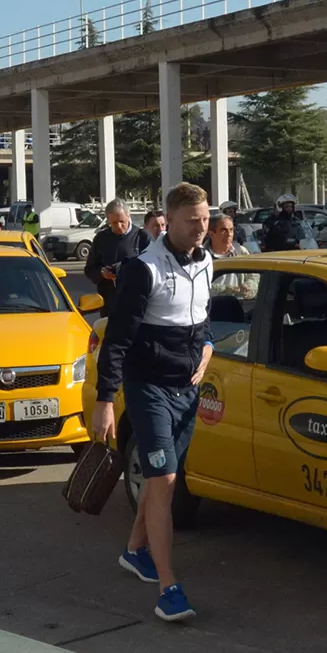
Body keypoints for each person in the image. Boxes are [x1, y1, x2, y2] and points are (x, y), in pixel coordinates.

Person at [91, 182, 214, 623]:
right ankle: (169, 587)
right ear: (169, 220)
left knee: (165, 480)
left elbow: (201, 318)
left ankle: (134, 551)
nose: (202, 228)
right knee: (162, 481)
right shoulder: (144, 269)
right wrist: (106, 401)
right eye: (192, 221)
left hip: (187, 390)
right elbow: (117, 341)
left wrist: (209, 347)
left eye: (205, 219)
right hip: (149, 389)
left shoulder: (207, 261)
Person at [83, 199, 151, 311]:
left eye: (122, 221)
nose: (119, 226)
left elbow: (152, 268)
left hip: (137, 302)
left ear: (128, 216)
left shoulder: (142, 237)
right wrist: (102, 273)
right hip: (110, 303)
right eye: (114, 223)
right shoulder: (101, 239)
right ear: (108, 221)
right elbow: (89, 269)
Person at [207, 214, 257, 300]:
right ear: (211, 234)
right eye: (224, 230)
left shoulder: (241, 252)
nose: (229, 234)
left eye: (231, 230)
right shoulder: (200, 256)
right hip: (209, 308)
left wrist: (249, 286)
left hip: (237, 307)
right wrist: (225, 289)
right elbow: (198, 285)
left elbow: (254, 275)